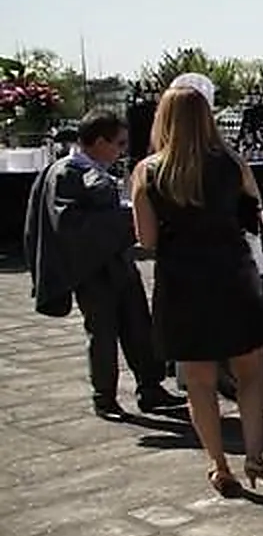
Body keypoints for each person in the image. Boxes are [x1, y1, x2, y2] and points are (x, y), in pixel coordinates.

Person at [131, 86, 263, 497]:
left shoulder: (147, 172)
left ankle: (218, 465)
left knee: (199, 381)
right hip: (233, 275)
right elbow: (255, 216)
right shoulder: (233, 164)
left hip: (182, 281)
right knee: (250, 373)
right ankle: (255, 455)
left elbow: (147, 241)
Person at [23, 111, 184, 418]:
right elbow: (70, 224)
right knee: (103, 332)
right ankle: (104, 396)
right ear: (99, 142)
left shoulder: (94, 170)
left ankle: (150, 387)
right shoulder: (67, 173)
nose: (122, 150)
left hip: (119, 262)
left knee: (138, 325)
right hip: (93, 269)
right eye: (118, 143)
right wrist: (128, 219)